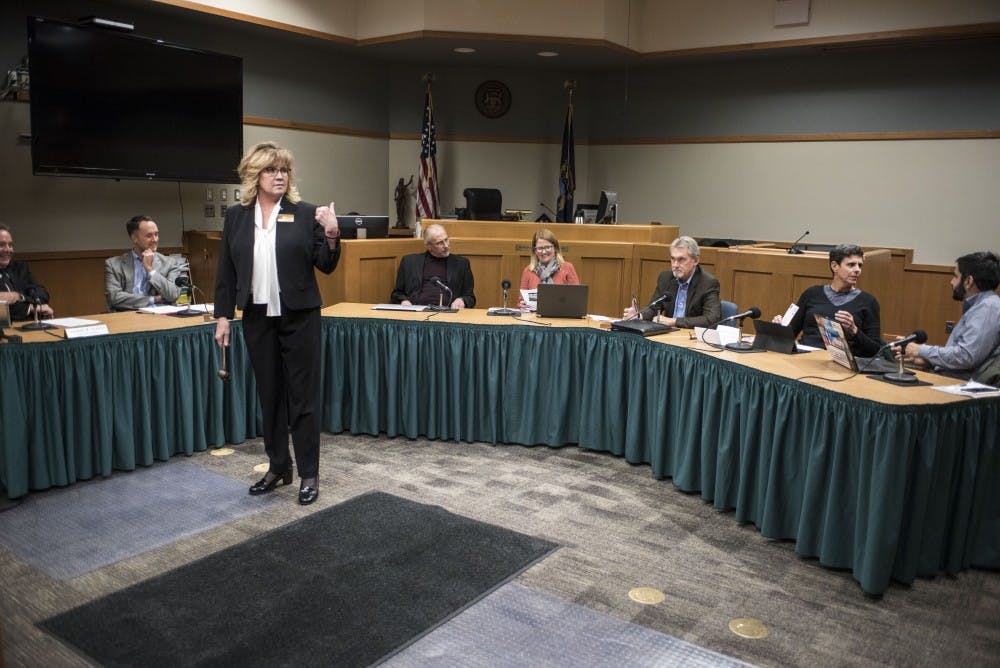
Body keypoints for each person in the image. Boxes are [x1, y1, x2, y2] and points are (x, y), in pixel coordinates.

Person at [214, 141, 342, 505]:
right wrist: (222, 316)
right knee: (270, 396)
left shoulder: (305, 213)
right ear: (254, 175)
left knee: (302, 399)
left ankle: (309, 475)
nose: (280, 176)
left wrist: (332, 233)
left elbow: (326, 264)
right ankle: (278, 466)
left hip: (299, 317)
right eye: (272, 170)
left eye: (284, 169)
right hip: (256, 317)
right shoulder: (236, 216)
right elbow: (226, 270)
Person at [899, 251, 1000, 379]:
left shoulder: (988, 308)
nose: (951, 282)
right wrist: (930, 362)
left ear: (968, 281)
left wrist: (921, 350)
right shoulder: (981, 306)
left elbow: (966, 356)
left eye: (955, 276)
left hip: (962, 389)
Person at [778, 244, 883, 357]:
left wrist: (854, 331)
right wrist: (779, 328)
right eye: (851, 265)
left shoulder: (868, 302)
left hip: (842, 365)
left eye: (860, 265)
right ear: (834, 266)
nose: (857, 270)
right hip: (805, 357)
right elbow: (791, 332)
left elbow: (875, 350)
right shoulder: (812, 294)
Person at [622, 235, 721, 328]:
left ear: (695, 260)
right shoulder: (666, 278)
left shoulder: (708, 283)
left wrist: (674, 321)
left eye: (681, 259)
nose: (675, 265)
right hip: (668, 336)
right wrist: (639, 315)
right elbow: (654, 308)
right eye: (673, 259)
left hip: (691, 337)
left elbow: (712, 319)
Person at [104, 215, 185, 311]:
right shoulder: (113, 265)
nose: (155, 239)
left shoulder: (170, 263)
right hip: (126, 317)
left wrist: (150, 269)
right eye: (149, 235)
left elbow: (173, 294)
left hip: (160, 317)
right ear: (135, 238)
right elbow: (114, 298)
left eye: (156, 234)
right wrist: (153, 299)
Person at [391, 223, 476, 308]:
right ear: (428, 246)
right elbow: (397, 294)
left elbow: (470, 297)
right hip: (417, 311)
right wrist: (404, 301)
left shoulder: (461, 264)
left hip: (448, 312)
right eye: (439, 243)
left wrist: (462, 300)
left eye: (446, 240)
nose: (446, 246)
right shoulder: (409, 262)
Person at [0, 223, 54, 321]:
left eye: (10, 245)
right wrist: (31, 308)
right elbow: (2, 311)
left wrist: (19, 296)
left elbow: (42, 294)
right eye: (1, 245)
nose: (8, 250)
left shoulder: (20, 268)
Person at [518, 228, 580, 308]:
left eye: (547, 247)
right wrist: (522, 304)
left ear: (555, 248)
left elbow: (577, 299)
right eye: (540, 249)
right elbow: (521, 301)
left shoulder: (567, 268)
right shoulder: (528, 271)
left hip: (561, 317)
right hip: (534, 317)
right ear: (535, 251)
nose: (544, 252)